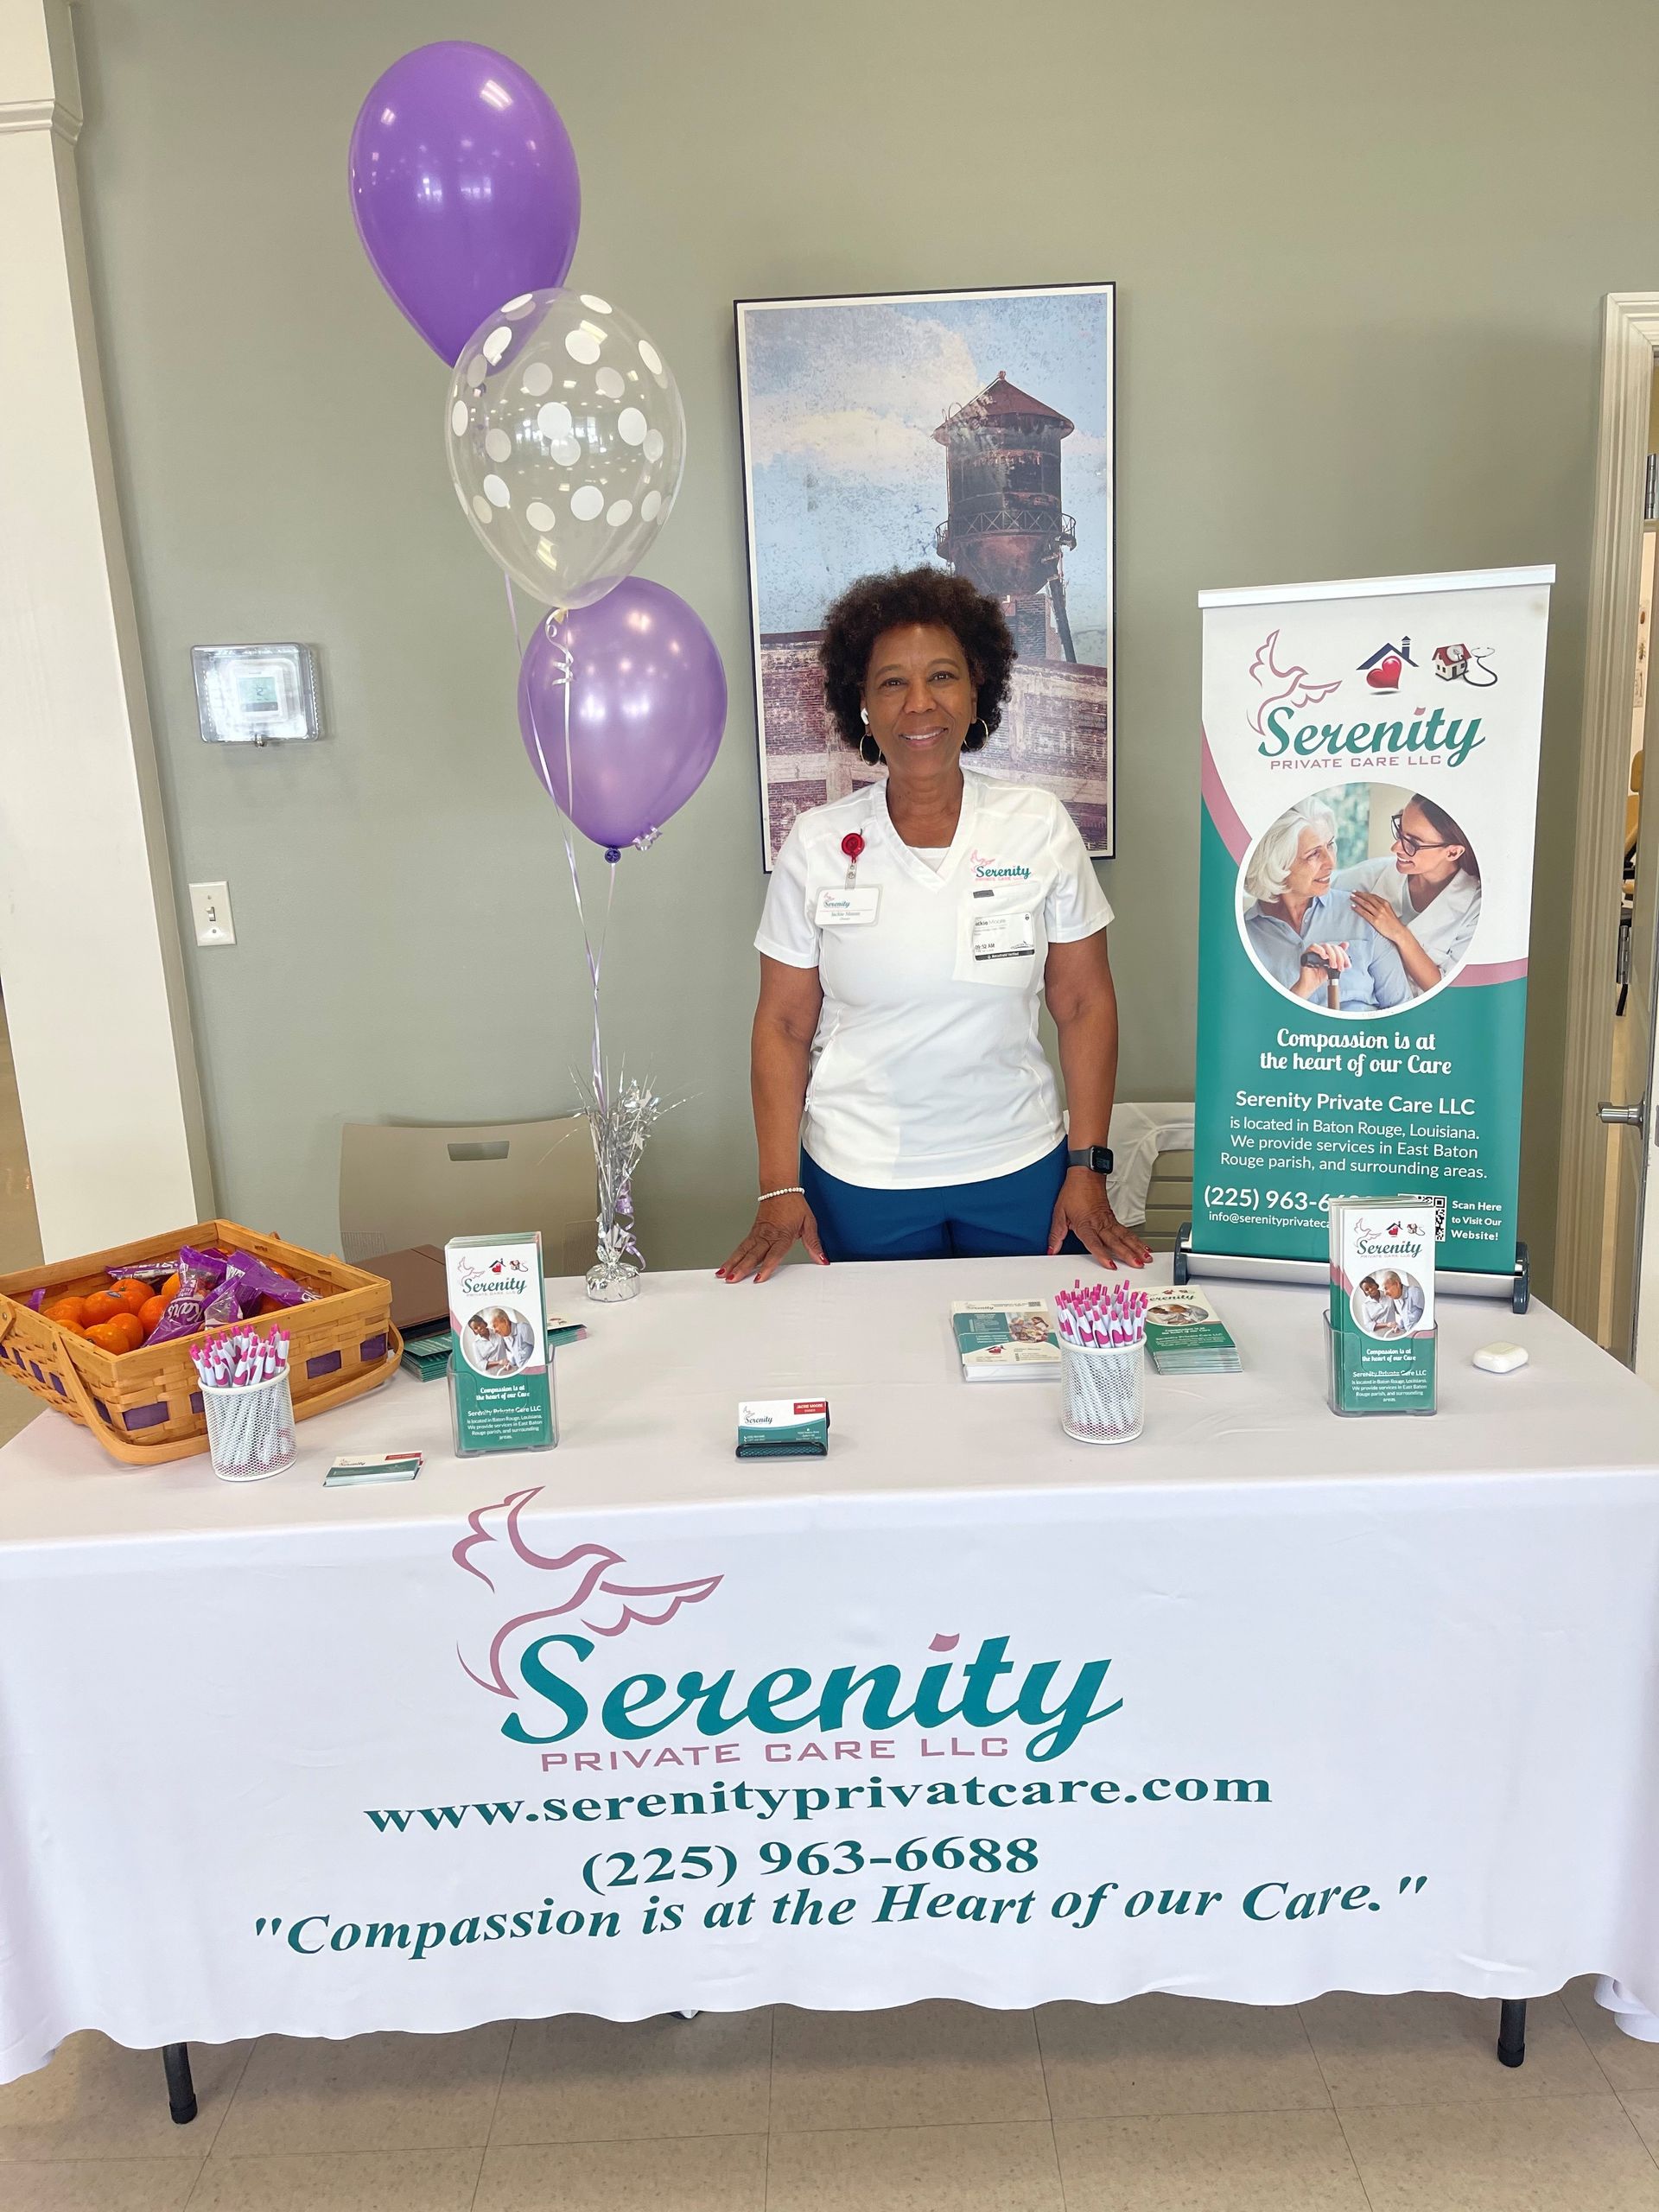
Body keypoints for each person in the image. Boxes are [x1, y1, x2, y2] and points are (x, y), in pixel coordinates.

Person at [720, 565, 1150, 1282]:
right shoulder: (816, 845)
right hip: (861, 1178)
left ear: (977, 689)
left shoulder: (1037, 825)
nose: (919, 704)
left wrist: (1088, 1165)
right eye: (892, 682)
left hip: (1022, 1168)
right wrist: (777, 1186)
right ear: (861, 703)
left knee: (1035, 1348)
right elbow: (784, 1025)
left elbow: (1083, 1003)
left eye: (943, 677)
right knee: (880, 1357)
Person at [1243, 798, 1410, 1011]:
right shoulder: (1245, 937)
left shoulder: (1363, 914)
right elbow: (1250, 1026)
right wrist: (1300, 991)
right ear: (1277, 864)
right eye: (1314, 854)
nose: (1331, 863)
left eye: (1330, 845)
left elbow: (1404, 1014)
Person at [1333, 794, 1481, 996]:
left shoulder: (1476, 910)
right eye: (1400, 832)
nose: (1395, 848)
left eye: (1413, 843)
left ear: (1452, 852)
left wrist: (1399, 933)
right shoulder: (1365, 877)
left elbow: (1448, 991)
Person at [1381, 1268, 1425, 1332]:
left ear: (1397, 1284)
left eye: (1386, 1288)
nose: (1385, 1293)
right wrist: (1400, 1326)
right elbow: (1406, 1317)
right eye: (1384, 1290)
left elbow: (1428, 1315)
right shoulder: (1395, 1299)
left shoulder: (1415, 1292)